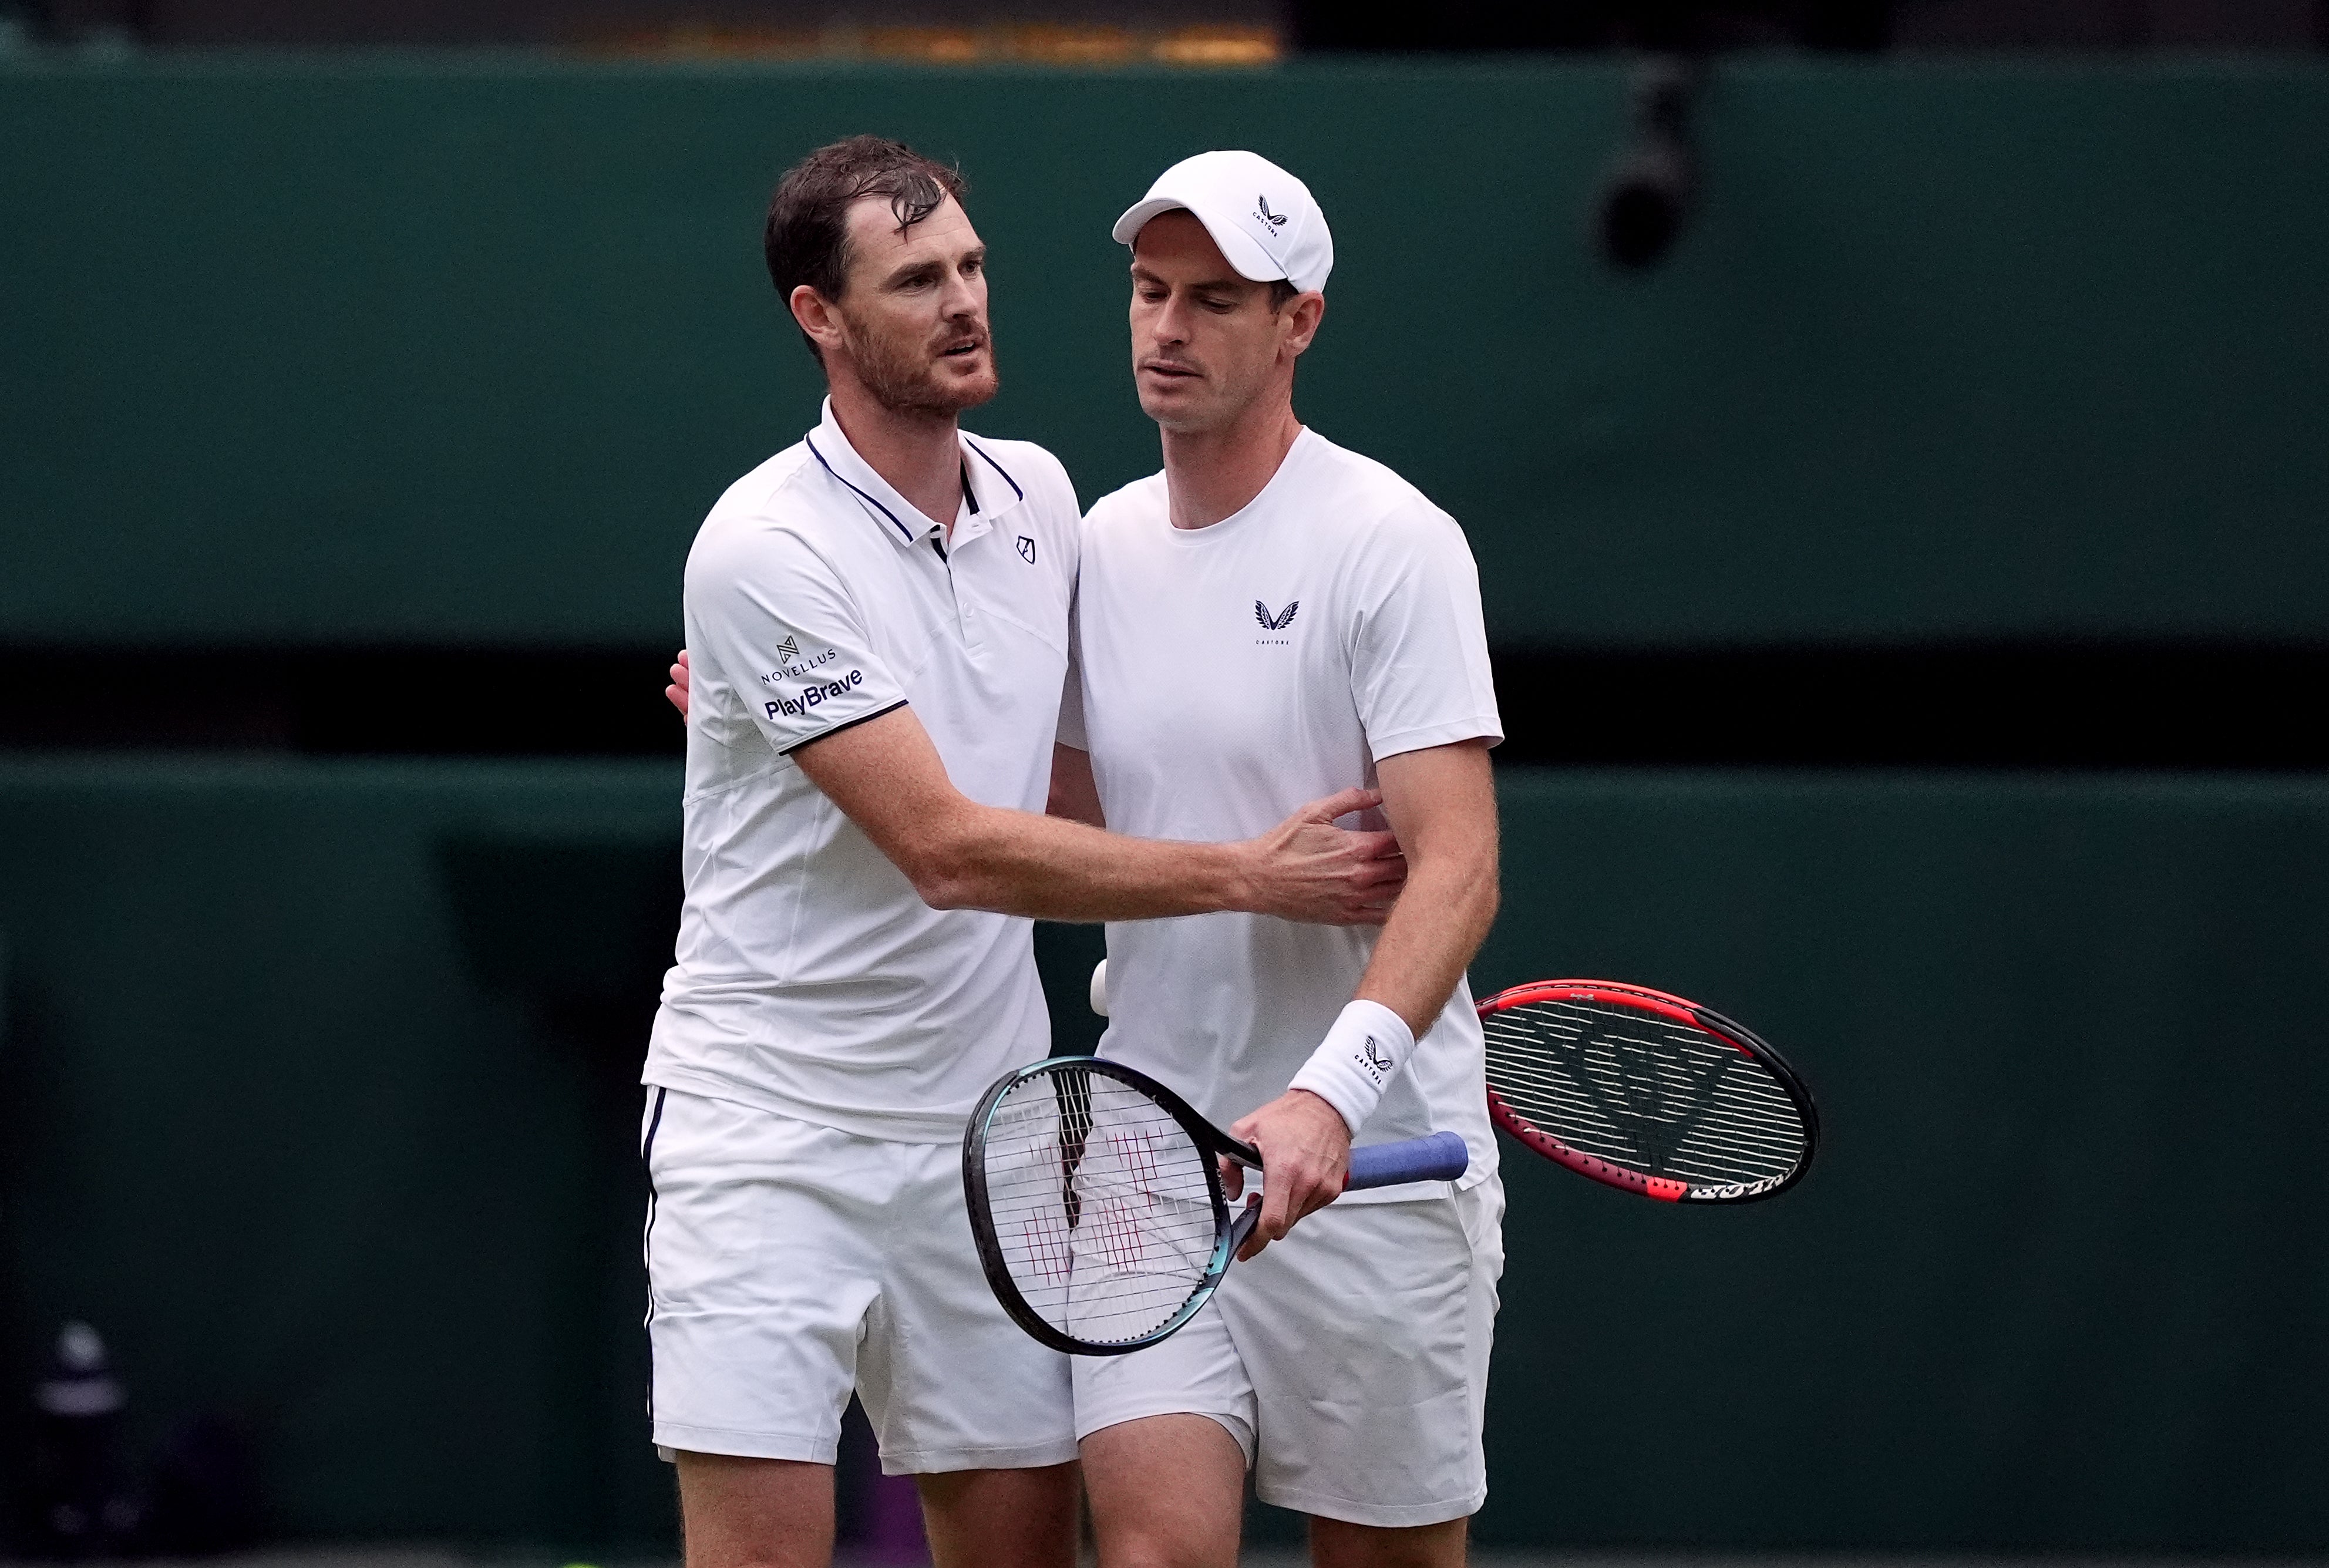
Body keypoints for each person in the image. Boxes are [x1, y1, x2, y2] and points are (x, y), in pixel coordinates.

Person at [647, 136, 1406, 1568]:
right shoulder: (761, 546)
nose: (964, 303)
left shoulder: (1043, 503)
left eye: (974, 268)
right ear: (821, 316)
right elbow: (946, 845)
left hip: (981, 1139)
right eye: (917, 279)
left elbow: (1079, 760)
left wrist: (750, 705)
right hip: (765, 1136)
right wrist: (1254, 871)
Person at [1051, 152, 1505, 1568]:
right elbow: (1040, 833)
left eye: (1215, 301)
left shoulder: (1392, 544)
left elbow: (1462, 870)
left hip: (1377, 1179)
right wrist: (765, 712)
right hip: (1150, 1161)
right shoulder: (1093, 550)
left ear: (1300, 320)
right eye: (1148, 292)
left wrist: (1324, 1102)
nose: (1167, 330)